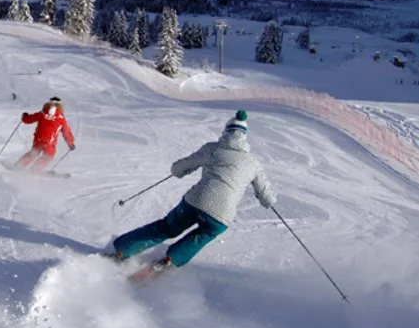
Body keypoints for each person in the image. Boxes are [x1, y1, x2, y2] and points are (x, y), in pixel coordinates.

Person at [110, 110, 275, 272]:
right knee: (205, 234)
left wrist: (177, 171)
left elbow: (185, 165)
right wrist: (268, 201)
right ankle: (170, 260)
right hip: (222, 214)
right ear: (244, 137)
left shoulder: (213, 149)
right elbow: (266, 195)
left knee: (167, 227)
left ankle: (123, 250)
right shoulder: (254, 163)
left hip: (195, 201)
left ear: (226, 132)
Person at [15, 96, 75, 173]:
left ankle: (18, 166)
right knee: (48, 155)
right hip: (50, 142)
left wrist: (24, 117)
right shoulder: (61, 118)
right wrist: (71, 143)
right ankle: (35, 170)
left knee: (34, 153)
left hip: (39, 139)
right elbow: (66, 132)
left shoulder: (42, 113)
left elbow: (28, 119)